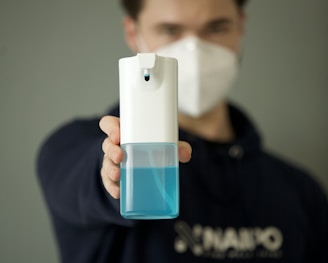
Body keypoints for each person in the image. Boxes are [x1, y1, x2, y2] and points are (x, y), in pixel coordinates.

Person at [37, 0, 328, 262]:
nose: (195, 51)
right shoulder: (70, 148)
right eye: (170, 30)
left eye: (216, 27)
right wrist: (115, 174)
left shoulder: (301, 192)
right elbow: (85, 181)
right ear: (132, 33)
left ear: (240, 26)